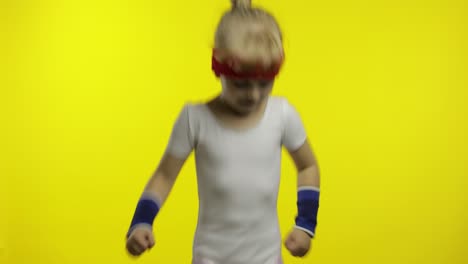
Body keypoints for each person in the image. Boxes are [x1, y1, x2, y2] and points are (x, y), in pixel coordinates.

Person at [125, 0, 321, 263]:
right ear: (218, 70)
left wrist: (305, 223)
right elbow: (163, 176)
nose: (253, 94)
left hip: (265, 258)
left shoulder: (282, 115)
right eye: (241, 84)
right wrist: (142, 221)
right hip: (210, 257)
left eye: (265, 84)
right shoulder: (195, 118)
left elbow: (307, 166)